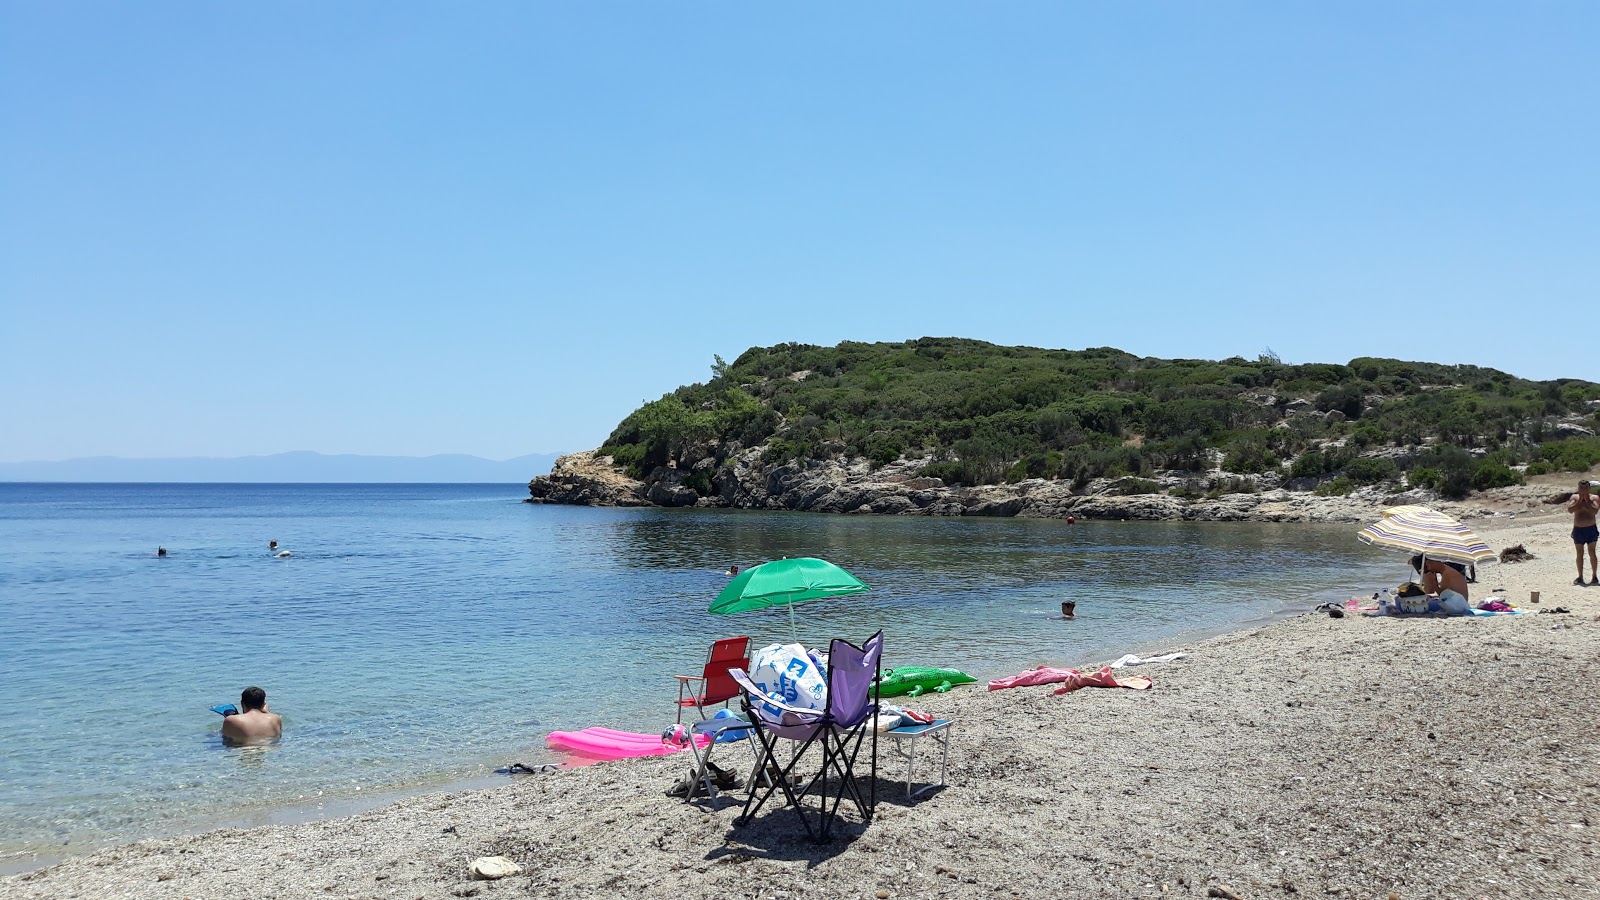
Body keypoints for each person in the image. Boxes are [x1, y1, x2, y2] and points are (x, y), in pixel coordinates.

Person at [1567, 480, 1598, 586]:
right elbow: (1570, 510)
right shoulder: (1574, 498)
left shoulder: (1594, 498)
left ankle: (1594, 576)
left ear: (1589, 488)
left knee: (1592, 553)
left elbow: (1595, 511)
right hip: (1578, 530)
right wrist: (1580, 500)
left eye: (1585, 488)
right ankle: (1580, 576)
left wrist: (1587, 501)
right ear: (1578, 488)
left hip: (1591, 529)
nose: (1583, 490)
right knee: (1579, 554)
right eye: (1581, 488)